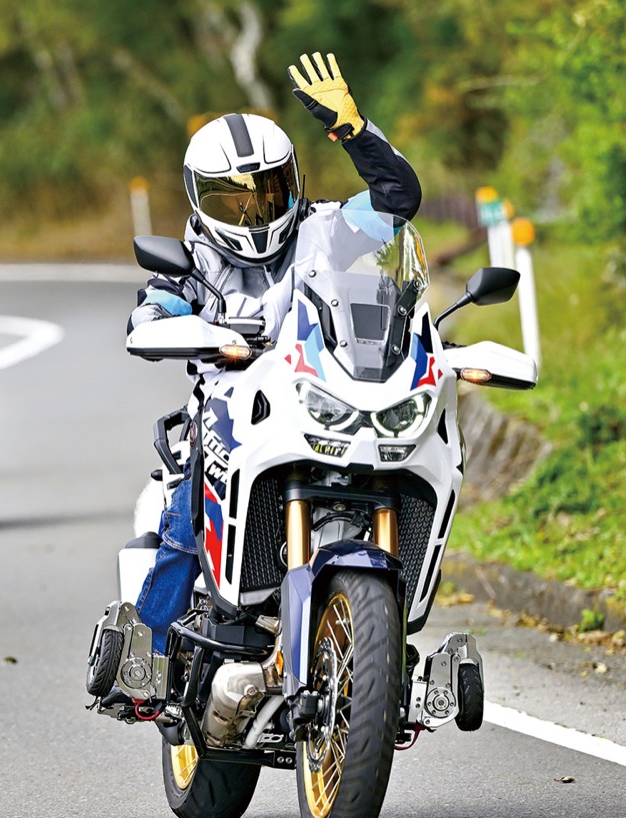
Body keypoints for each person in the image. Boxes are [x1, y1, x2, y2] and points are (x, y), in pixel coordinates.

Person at [128, 53, 423, 657]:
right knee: (186, 523)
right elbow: (149, 317)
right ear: (199, 200)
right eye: (232, 199)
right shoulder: (192, 260)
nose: (253, 209)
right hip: (229, 424)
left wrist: (354, 130)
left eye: (267, 189)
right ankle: (145, 662)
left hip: (327, 404)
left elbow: (397, 198)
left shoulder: (328, 229)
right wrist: (176, 329)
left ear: (292, 181)